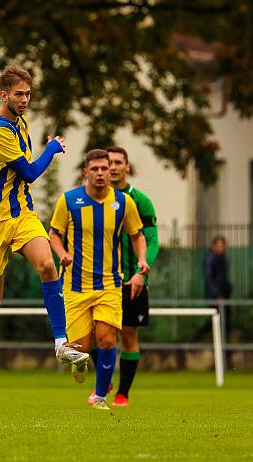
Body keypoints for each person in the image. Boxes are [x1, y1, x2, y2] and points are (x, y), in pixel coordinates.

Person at [0, 65, 89, 393]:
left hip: (22, 214)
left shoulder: (21, 122)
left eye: (28, 94)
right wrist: (53, 147)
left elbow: (23, 181)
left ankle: (61, 342)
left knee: (48, 265)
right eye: (19, 94)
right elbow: (30, 172)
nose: (25, 100)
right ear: (3, 94)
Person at [48, 149, 149, 411]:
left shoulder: (123, 203)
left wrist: (142, 258)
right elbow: (54, 234)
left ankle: (101, 397)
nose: (101, 173)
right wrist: (62, 254)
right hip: (75, 286)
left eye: (105, 168)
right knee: (81, 347)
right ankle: (80, 361)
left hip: (109, 285)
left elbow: (137, 234)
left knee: (107, 339)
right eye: (95, 169)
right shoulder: (69, 201)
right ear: (86, 172)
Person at [95, 146, 160, 408]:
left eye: (118, 162)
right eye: (108, 162)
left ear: (127, 167)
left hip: (130, 281)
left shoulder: (140, 200)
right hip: (100, 280)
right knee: (93, 334)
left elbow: (152, 240)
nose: (112, 167)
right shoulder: (92, 199)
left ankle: (122, 393)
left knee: (129, 335)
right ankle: (105, 377)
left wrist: (141, 272)